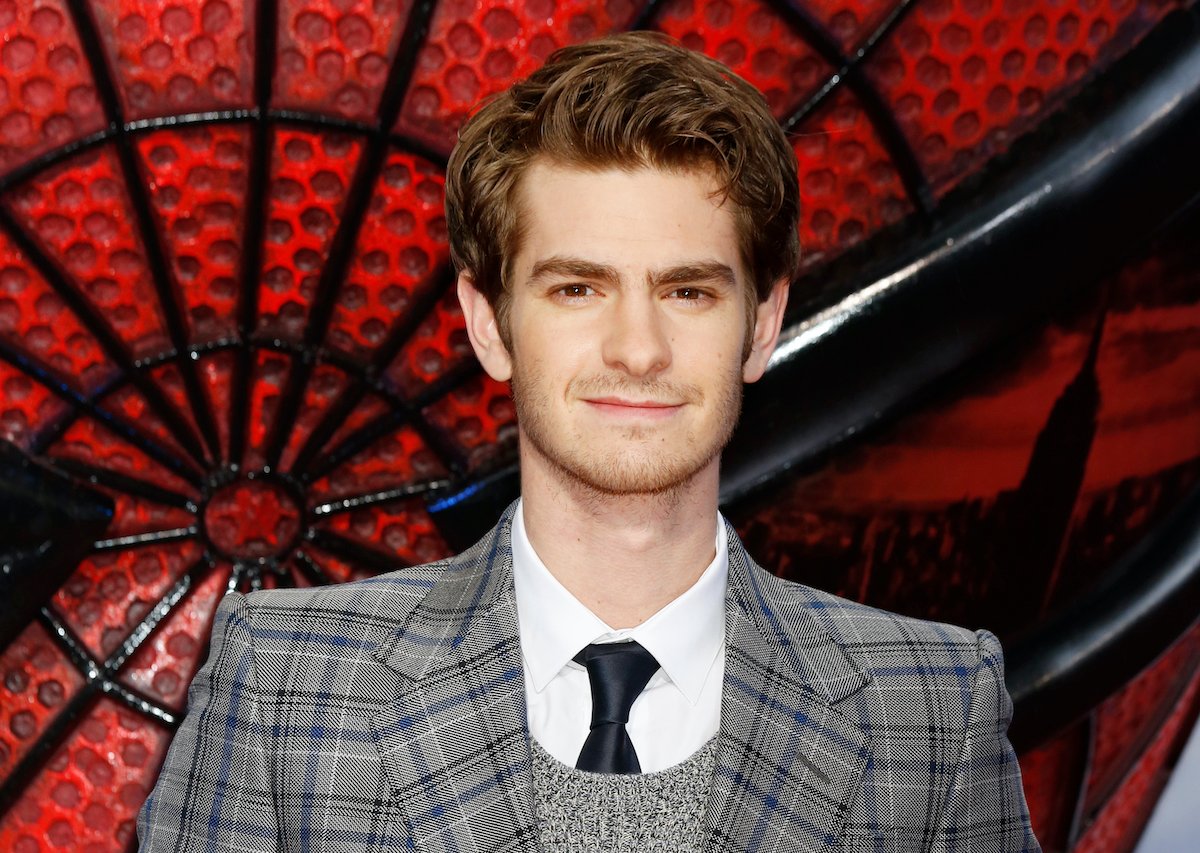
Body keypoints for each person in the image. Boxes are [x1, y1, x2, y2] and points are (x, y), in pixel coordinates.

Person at [139, 33, 1040, 853]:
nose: (637, 349)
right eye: (578, 289)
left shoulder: (930, 708)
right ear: (488, 322)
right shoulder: (285, 686)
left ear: (762, 325)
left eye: (689, 291)